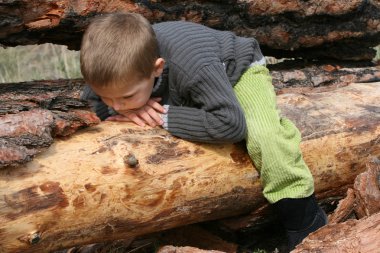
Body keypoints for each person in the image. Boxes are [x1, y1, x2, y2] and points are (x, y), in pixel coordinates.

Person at [80, 12, 327, 250]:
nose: (117, 105)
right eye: (107, 97)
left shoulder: (194, 65)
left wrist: (165, 116)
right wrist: (127, 109)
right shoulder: (118, 73)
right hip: (187, 85)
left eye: (126, 97)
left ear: (157, 68)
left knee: (265, 136)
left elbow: (231, 124)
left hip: (236, 71)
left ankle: (304, 217)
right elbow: (95, 102)